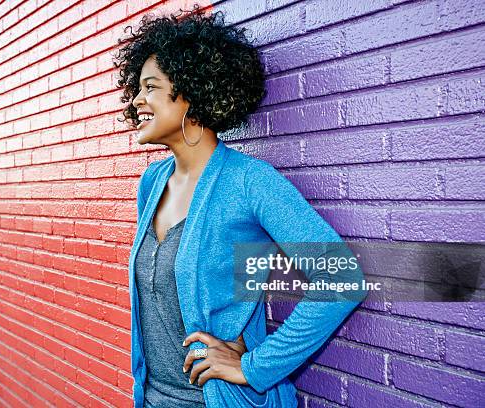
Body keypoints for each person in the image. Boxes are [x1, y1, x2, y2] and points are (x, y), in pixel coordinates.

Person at [113, 5, 367, 407]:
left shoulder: (250, 181)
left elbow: (341, 278)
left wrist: (253, 366)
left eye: (150, 87)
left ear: (191, 91)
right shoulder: (153, 182)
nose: (136, 100)